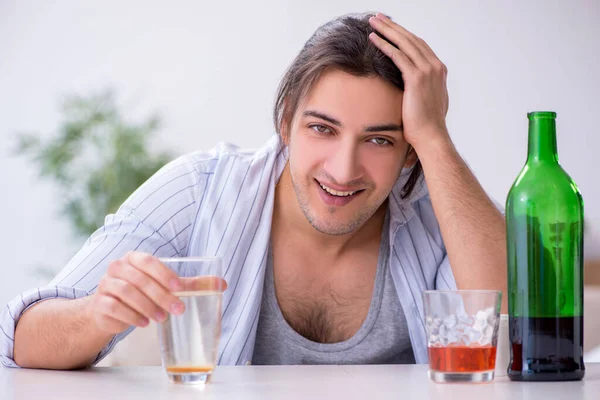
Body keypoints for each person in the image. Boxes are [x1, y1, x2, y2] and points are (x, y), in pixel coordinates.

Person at [0, 12, 507, 369]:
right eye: (322, 129)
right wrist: (95, 314)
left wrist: (436, 136)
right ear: (285, 121)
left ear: (410, 151)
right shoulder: (199, 192)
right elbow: (22, 340)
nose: (343, 168)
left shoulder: (438, 211)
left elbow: (508, 317)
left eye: (379, 139)